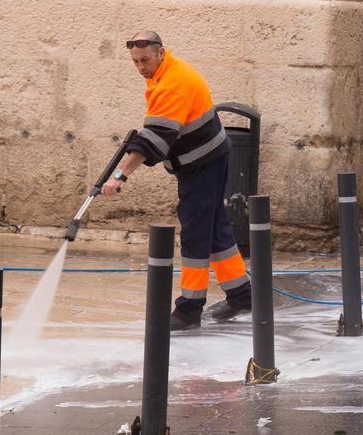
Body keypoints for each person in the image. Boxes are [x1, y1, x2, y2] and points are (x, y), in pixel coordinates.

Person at [101, 30, 251, 331]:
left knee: (196, 231)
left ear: (160, 52)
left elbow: (154, 141)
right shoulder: (165, 71)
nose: (141, 67)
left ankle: (189, 309)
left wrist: (119, 176)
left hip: (203, 163)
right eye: (135, 62)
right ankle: (242, 295)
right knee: (214, 228)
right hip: (207, 158)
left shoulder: (173, 85)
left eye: (145, 60)